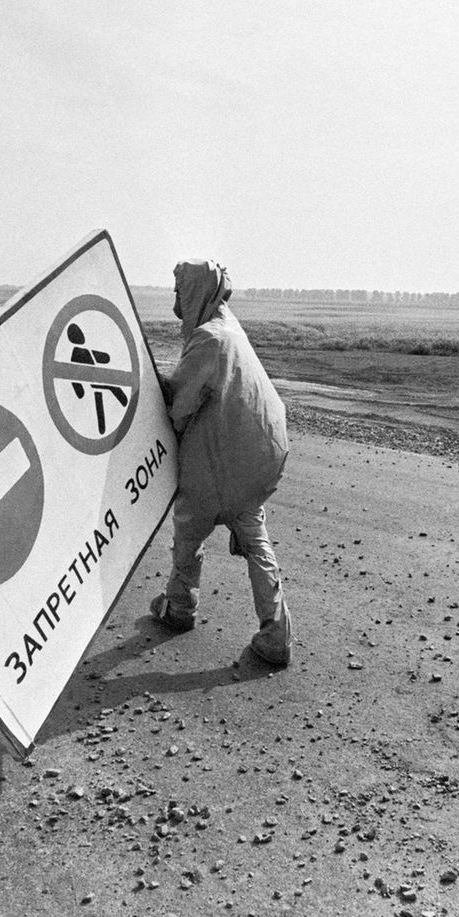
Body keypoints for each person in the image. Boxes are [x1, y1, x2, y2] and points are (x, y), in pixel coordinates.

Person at [149, 260, 293, 665]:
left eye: (180, 291)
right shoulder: (231, 328)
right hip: (260, 458)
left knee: (189, 528)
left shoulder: (208, 339)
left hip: (223, 464)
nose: (176, 301)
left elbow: (180, 405)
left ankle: (180, 607)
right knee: (254, 536)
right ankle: (276, 633)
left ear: (195, 292)